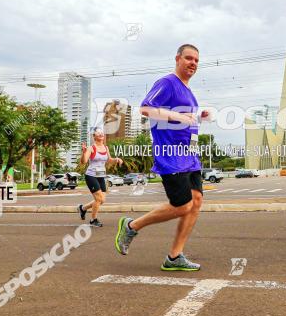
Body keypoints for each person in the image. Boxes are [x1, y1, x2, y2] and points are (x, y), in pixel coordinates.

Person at [115, 44, 210, 271]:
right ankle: (132, 226)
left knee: (195, 202)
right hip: (171, 155)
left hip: (189, 156)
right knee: (182, 206)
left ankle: (174, 257)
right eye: (188, 58)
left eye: (196, 60)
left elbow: (184, 118)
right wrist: (180, 117)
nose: (193, 63)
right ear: (178, 58)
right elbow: (146, 108)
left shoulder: (189, 92)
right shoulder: (167, 83)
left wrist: (198, 116)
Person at [78, 127, 122, 227]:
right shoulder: (91, 148)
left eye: (102, 133)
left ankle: (83, 208)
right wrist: (84, 152)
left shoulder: (105, 148)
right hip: (91, 175)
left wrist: (116, 159)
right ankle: (93, 220)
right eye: (98, 133)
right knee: (98, 199)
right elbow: (84, 161)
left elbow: (109, 160)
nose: (101, 134)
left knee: (102, 200)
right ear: (94, 136)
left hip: (101, 175)